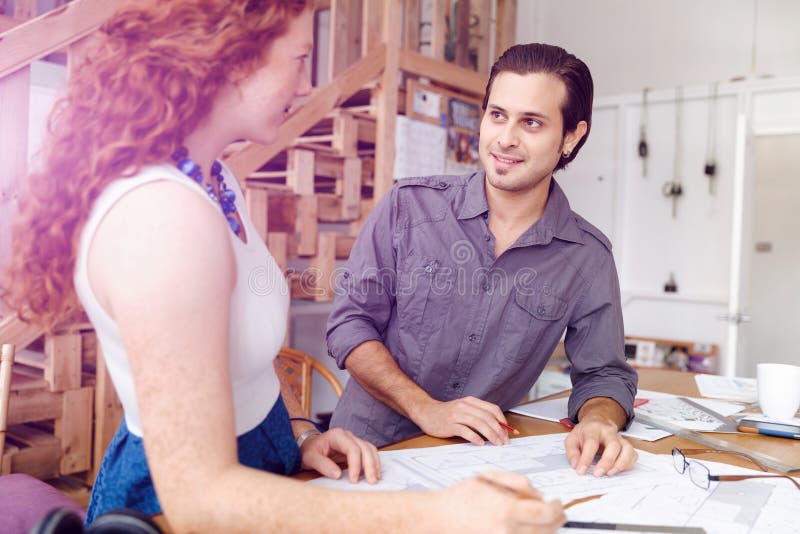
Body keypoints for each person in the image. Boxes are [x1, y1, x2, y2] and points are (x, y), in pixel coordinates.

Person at [1, 1, 566, 532]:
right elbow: (200, 499)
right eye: (298, 60)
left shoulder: (217, 181)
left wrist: (298, 431)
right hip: (180, 505)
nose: (307, 85)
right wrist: (435, 515)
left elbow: (247, 351)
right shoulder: (162, 218)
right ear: (232, 55)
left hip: (268, 453)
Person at [327, 43, 639, 478]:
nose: (506, 138)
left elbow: (604, 373)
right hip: (363, 457)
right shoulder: (408, 207)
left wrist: (599, 421)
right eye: (497, 115)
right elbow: (350, 324)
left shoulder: (587, 256)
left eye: (531, 122)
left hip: (473, 468)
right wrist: (427, 409)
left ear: (571, 136)